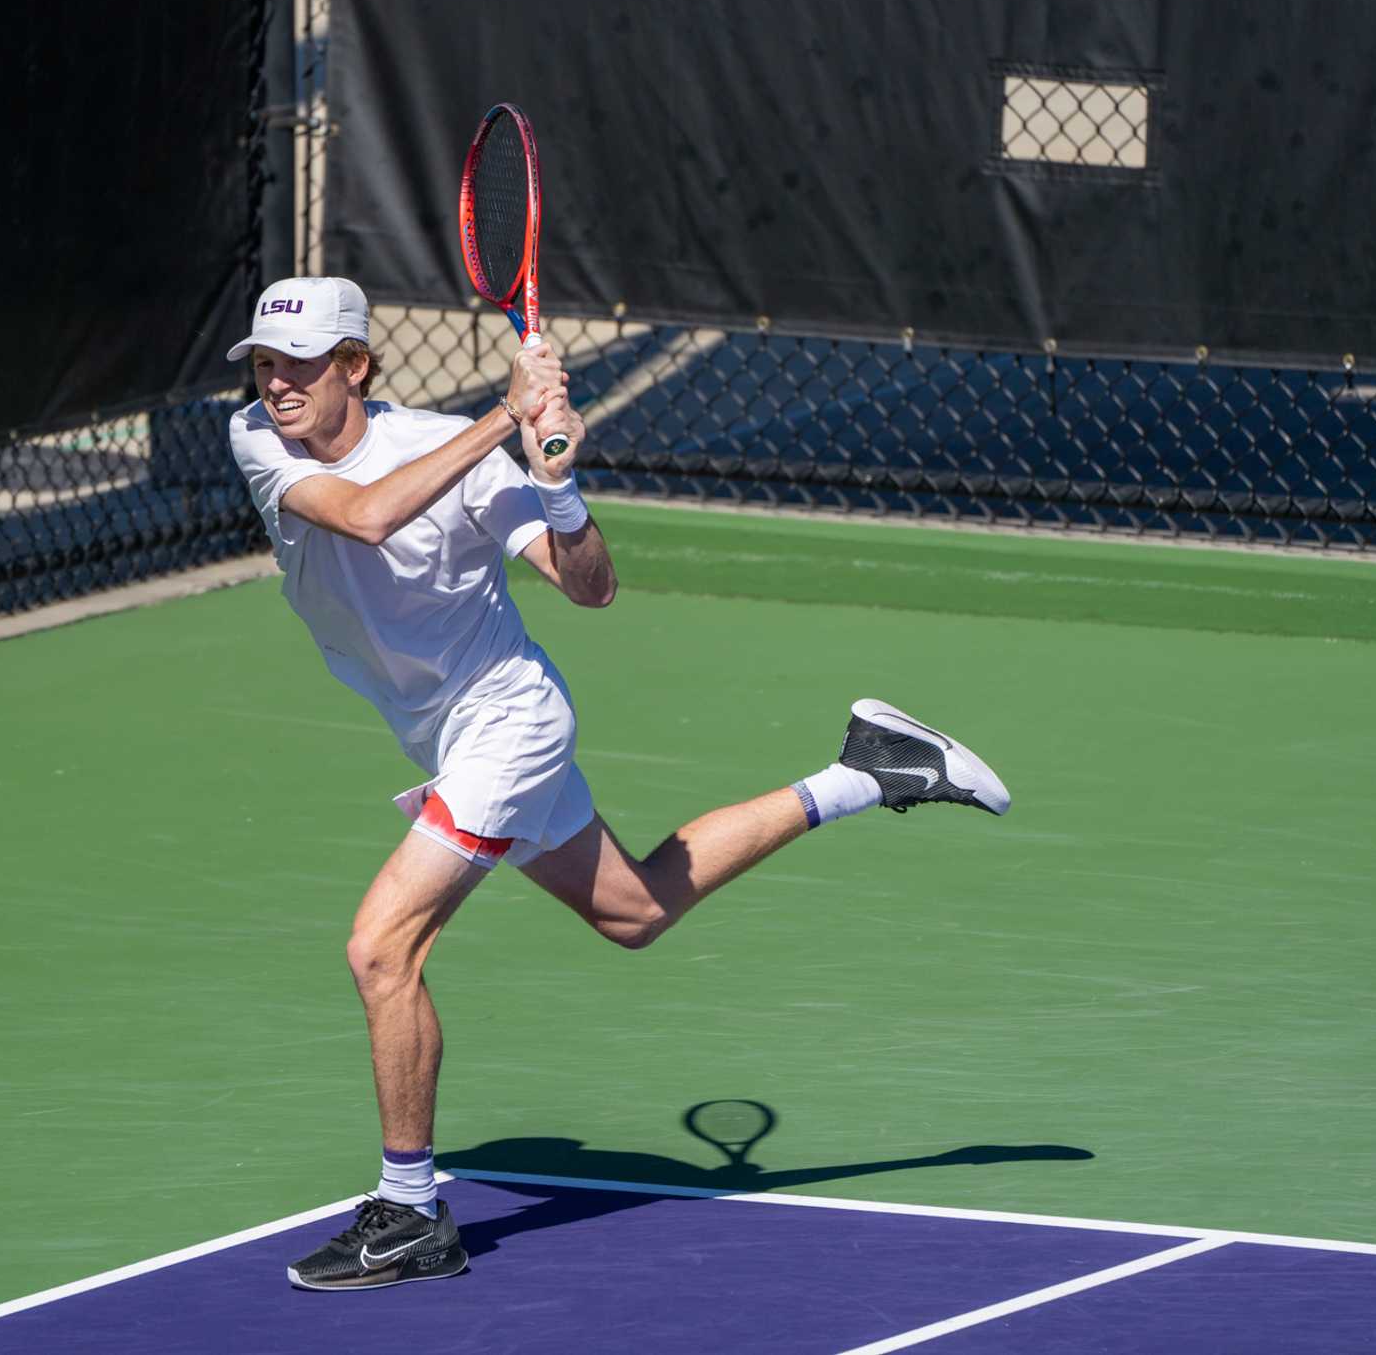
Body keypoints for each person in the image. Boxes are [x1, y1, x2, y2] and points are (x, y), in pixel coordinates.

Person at [224, 277, 1012, 1292]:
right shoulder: (259, 438)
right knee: (635, 908)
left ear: (356, 366)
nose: (275, 383)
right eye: (263, 363)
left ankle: (411, 1209)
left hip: (508, 723)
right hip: (442, 733)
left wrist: (556, 483)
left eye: (297, 363)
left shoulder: (453, 452)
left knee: (382, 948)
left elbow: (590, 587)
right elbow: (369, 516)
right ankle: (867, 769)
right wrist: (507, 415)